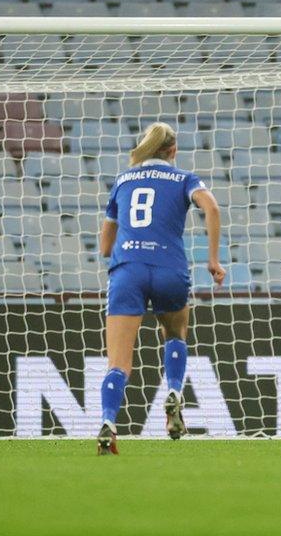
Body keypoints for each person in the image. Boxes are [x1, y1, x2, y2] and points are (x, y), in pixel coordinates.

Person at [96, 122, 225, 455]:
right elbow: (211, 206)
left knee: (118, 363)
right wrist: (213, 259)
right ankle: (175, 392)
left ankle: (109, 422)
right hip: (169, 268)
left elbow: (105, 247)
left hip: (128, 272)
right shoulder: (183, 178)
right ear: (173, 151)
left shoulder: (123, 181)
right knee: (175, 334)